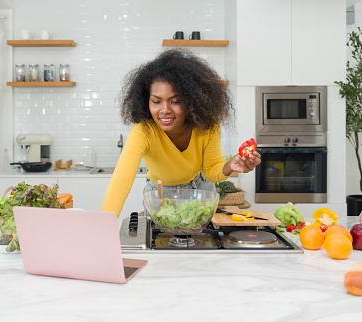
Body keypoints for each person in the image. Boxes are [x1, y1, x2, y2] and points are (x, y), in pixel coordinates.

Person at [101, 49, 261, 217]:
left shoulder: (206, 125)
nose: (165, 110)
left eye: (175, 101)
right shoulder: (144, 131)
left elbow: (212, 172)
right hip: (160, 193)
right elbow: (121, 180)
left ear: (192, 100)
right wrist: (104, 224)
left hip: (200, 191)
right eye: (156, 101)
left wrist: (230, 166)